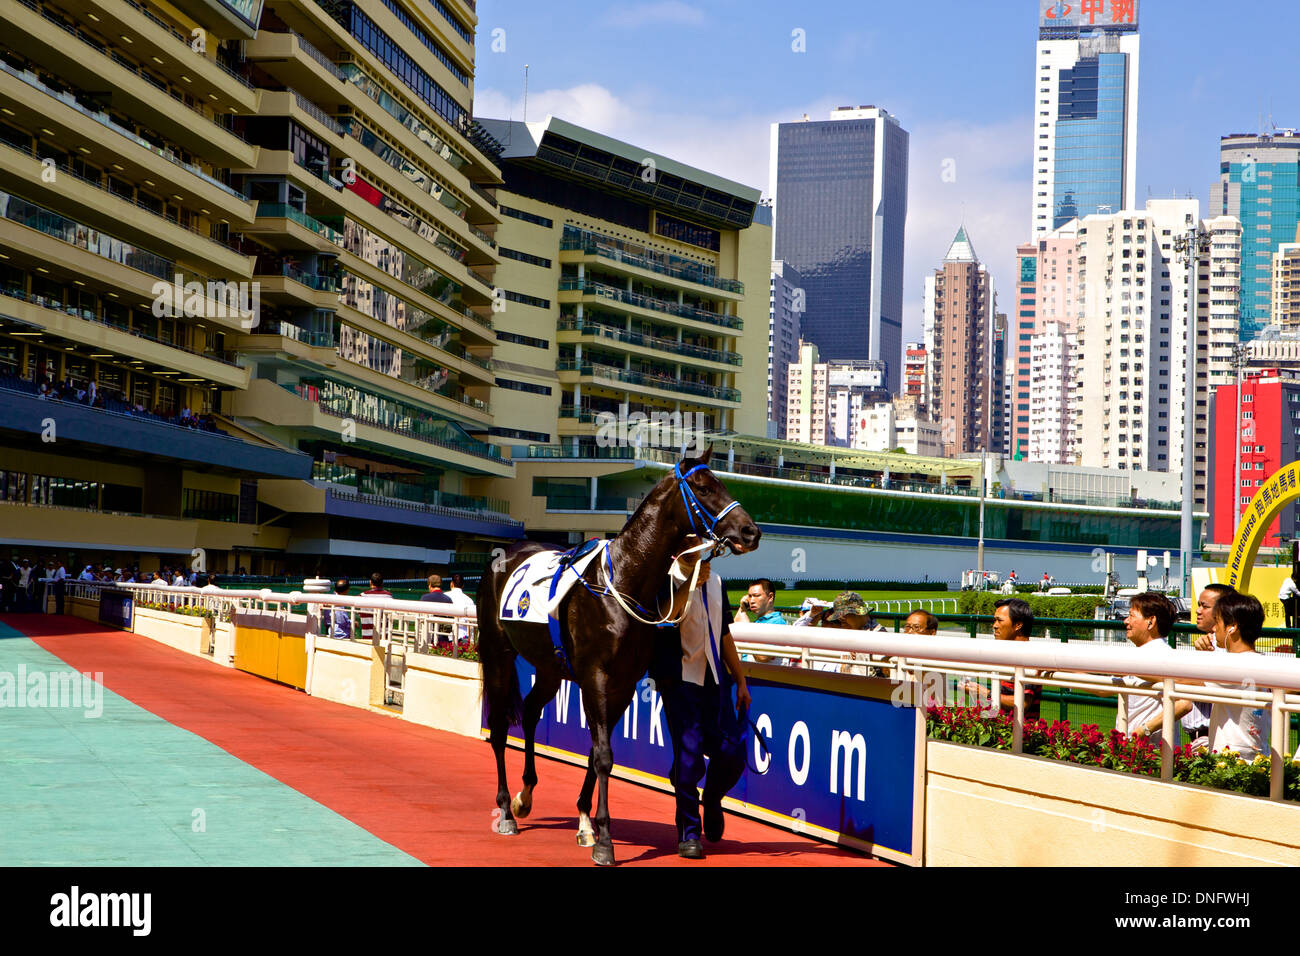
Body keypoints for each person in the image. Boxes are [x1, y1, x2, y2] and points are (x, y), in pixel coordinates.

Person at [654, 558, 750, 860]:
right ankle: (689, 832)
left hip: (715, 681)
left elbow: (723, 634)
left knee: (734, 754)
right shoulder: (662, 578)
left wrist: (741, 679)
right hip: (679, 681)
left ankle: (712, 798)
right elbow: (663, 616)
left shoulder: (717, 581)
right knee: (689, 756)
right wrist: (691, 582)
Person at [1189, 592, 1271, 761]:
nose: (1213, 628)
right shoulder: (1262, 660)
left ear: (1232, 627)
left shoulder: (1233, 665)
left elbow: (1182, 680)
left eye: (1217, 622)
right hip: (1257, 758)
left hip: (1232, 762)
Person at [1105, 592, 1193, 742]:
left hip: (1152, 755)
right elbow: (1103, 689)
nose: (1126, 621)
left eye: (1132, 616)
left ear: (1151, 622)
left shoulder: (1163, 656)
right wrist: (1066, 669)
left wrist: (1143, 730)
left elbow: (1184, 704)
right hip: (1136, 751)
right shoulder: (1140, 656)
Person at [963, 598, 1044, 721]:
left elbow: (1023, 703)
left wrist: (985, 693)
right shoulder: (1011, 654)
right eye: (995, 620)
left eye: (999, 620)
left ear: (1018, 625)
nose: (994, 626)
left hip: (1022, 734)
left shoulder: (1029, 656)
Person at [360, 571, 392, 645]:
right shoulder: (389, 596)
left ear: (370, 582)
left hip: (367, 634)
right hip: (384, 634)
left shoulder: (363, 596)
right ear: (382, 583)